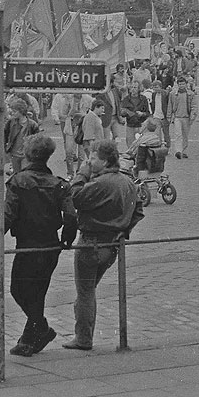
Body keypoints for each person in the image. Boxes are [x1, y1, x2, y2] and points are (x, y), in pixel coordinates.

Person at [61, 140, 143, 350]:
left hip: (91, 242)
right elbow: (138, 210)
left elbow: (74, 196)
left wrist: (81, 173)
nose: (89, 160)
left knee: (85, 291)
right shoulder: (127, 182)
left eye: (93, 157)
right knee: (88, 290)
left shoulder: (100, 183)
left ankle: (83, 338)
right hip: (112, 245)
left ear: (105, 161)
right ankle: (83, 334)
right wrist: (123, 230)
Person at [4, 134, 75, 357]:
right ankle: (31, 338)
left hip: (27, 243)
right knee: (38, 292)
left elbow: (8, 215)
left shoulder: (18, 181)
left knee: (18, 289)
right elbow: (71, 215)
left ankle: (39, 330)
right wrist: (67, 238)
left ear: (27, 154)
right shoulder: (59, 184)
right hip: (50, 243)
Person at [4, 99, 39, 174]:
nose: (13, 113)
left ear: (21, 111)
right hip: (14, 153)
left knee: (25, 174)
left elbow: (37, 141)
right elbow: (5, 136)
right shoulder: (10, 122)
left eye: (15, 111)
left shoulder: (32, 125)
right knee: (16, 175)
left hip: (26, 154)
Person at [168, 76, 195, 159]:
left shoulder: (190, 94)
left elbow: (194, 106)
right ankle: (178, 151)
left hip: (186, 117)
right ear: (177, 85)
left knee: (185, 135)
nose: (181, 86)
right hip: (177, 117)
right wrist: (169, 116)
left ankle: (183, 150)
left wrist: (193, 115)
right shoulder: (173, 94)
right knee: (178, 134)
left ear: (186, 84)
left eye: (183, 84)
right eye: (180, 84)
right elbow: (170, 105)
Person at [119, 83, 150, 147]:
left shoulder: (143, 99)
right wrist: (125, 112)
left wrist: (142, 114)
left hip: (141, 125)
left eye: (135, 87)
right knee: (130, 146)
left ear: (139, 89)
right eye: (132, 87)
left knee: (141, 145)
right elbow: (121, 112)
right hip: (130, 125)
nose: (133, 89)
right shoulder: (126, 99)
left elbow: (148, 113)